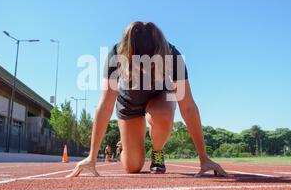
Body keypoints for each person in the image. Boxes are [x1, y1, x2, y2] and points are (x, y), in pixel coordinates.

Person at [68, 21, 230, 178]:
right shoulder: (116, 54)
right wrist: (92, 157)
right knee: (133, 167)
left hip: (159, 97)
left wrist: (204, 158)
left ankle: (157, 151)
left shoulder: (172, 55)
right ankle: (125, 146)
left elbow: (187, 106)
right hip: (128, 104)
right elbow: (105, 105)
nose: (144, 70)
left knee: (160, 115)